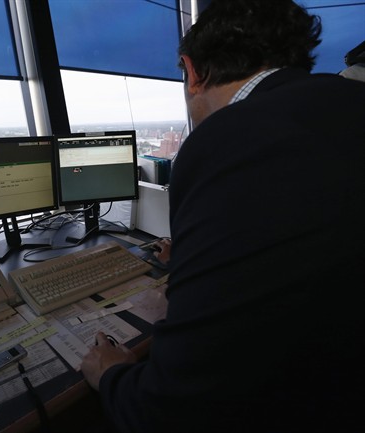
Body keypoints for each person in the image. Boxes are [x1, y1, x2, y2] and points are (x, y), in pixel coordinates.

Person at [81, 1, 365, 432]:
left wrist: (112, 375)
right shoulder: (346, 103)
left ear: (193, 71)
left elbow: (175, 410)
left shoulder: (229, 136)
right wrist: (201, 262)